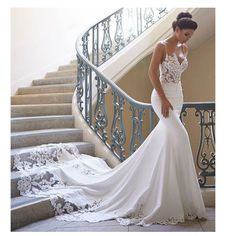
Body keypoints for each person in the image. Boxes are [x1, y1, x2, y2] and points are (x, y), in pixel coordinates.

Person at [15, 12, 207, 227]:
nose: (187, 39)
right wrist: (163, 99)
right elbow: (153, 73)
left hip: (178, 97)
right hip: (162, 98)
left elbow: (179, 75)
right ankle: (168, 199)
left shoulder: (184, 48)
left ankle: (178, 198)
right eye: (186, 34)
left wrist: (174, 97)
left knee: (168, 142)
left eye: (190, 36)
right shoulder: (162, 46)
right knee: (180, 136)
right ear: (177, 30)